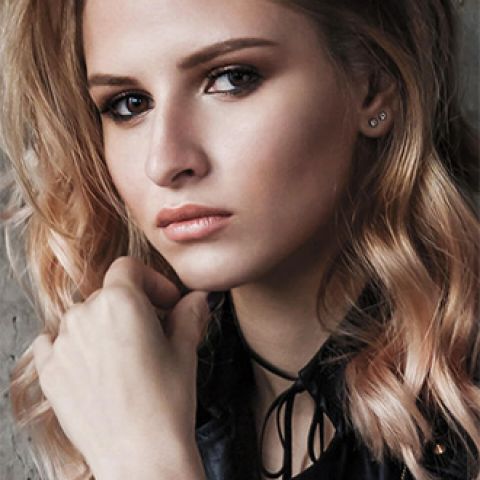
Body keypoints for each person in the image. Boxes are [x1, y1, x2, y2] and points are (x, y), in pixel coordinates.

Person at [0, 0, 478, 479]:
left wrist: (146, 462)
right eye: (130, 104)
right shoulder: (119, 386)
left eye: (232, 79)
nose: (164, 162)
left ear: (373, 86)